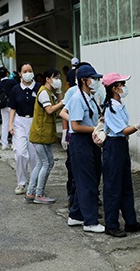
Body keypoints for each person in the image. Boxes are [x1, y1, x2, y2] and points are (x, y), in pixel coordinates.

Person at [100, 72, 140, 237]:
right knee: (113, 187)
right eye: (122, 84)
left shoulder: (119, 105)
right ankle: (112, 224)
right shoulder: (111, 108)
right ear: (115, 88)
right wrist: (139, 125)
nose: (124, 87)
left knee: (126, 185)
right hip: (113, 146)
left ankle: (131, 221)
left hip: (121, 145)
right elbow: (123, 130)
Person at [66, 65, 105, 233]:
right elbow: (75, 126)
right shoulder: (76, 98)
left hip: (91, 142)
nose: (96, 82)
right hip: (81, 142)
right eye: (93, 79)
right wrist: (96, 129)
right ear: (84, 80)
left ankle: (75, 215)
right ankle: (90, 221)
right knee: (87, 182)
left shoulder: (90, 97)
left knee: (93, 178)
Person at [25, 67, 65, 204]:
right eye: (55, 77)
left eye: (59, 78)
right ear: (47, 79)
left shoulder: (49, 92)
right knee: (48, 163)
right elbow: (49, 110)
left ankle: (31, 192)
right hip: (41, 134)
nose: (58, 80)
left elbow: (59, 104)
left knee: (41, 163)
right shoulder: (43, 93)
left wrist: (59, 93)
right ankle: (39, 194)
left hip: (42, 134)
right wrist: (63, 102)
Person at [59, 61, 92, 207]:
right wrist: (66, 132)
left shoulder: (95, 91)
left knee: (90, 172)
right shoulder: (73, 92)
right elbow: (64, 112)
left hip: (91, 136)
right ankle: (73, 199)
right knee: (73, 171)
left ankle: (89, 199)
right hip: (76, 134)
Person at [8, 62, 41, 195]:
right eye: (25, 71)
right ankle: (21, 183)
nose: (28, 73)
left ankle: (34, 183)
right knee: (21, 153)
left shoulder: (39, 88)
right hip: (20, 121)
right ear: (20, 74)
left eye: (30, 70)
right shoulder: (15, 89)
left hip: (35, 122)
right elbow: (13, 108)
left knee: (34, 155)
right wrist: (10, 124)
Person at [0, 67, 18, 150]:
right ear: (7, 74)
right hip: (12, 105)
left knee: (5, 124)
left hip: (3, 106)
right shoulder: (12, 82)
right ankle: (14, 143)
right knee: (14, 123)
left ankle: (4, 144)